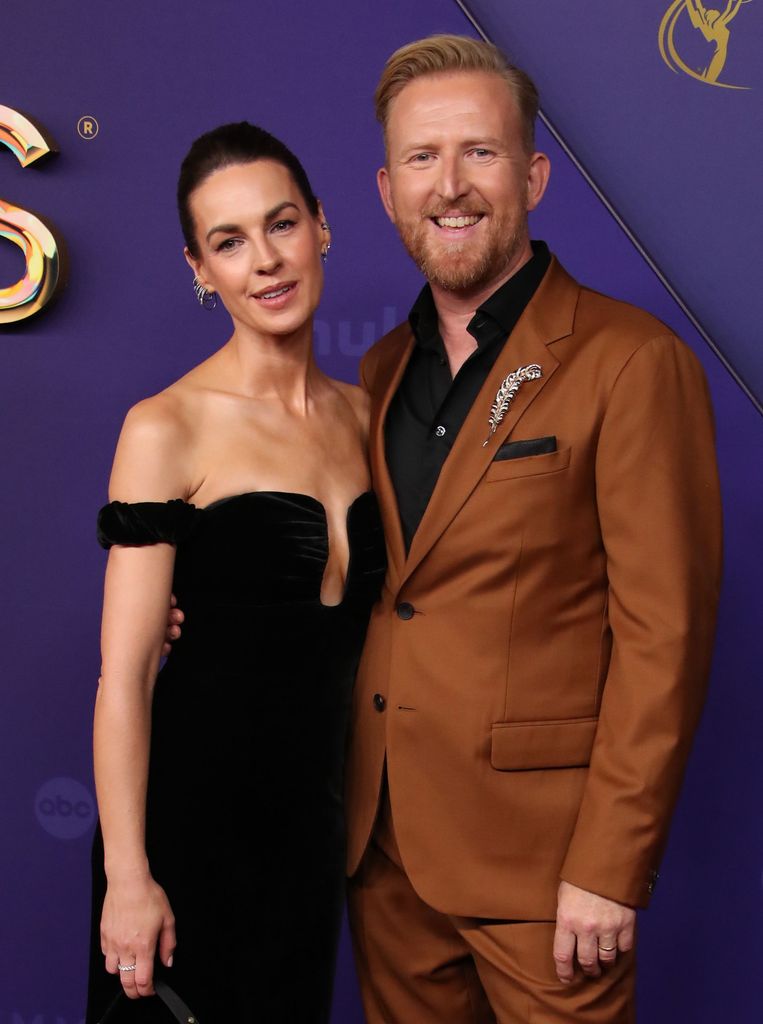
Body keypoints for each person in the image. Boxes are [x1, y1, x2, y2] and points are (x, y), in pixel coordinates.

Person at [342, 35, 723, 1022]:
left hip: (548, 876)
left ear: (534, 174)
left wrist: (610, 863)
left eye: (481, 152)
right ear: (387, 190)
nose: (451, 185)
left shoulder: (630, 361)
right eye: (423, 158)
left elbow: (664, 638)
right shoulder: (376, 375)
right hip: (385, 859)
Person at [85, 122, 385, 1023]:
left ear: (322, 227)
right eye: (229, 242)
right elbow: (127, 678)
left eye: (281, 224)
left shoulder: (372, 419)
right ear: (199, 269)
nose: (265, 261)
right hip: (185, 827)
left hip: (314, 831)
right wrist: (129, 876)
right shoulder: (164, 426)